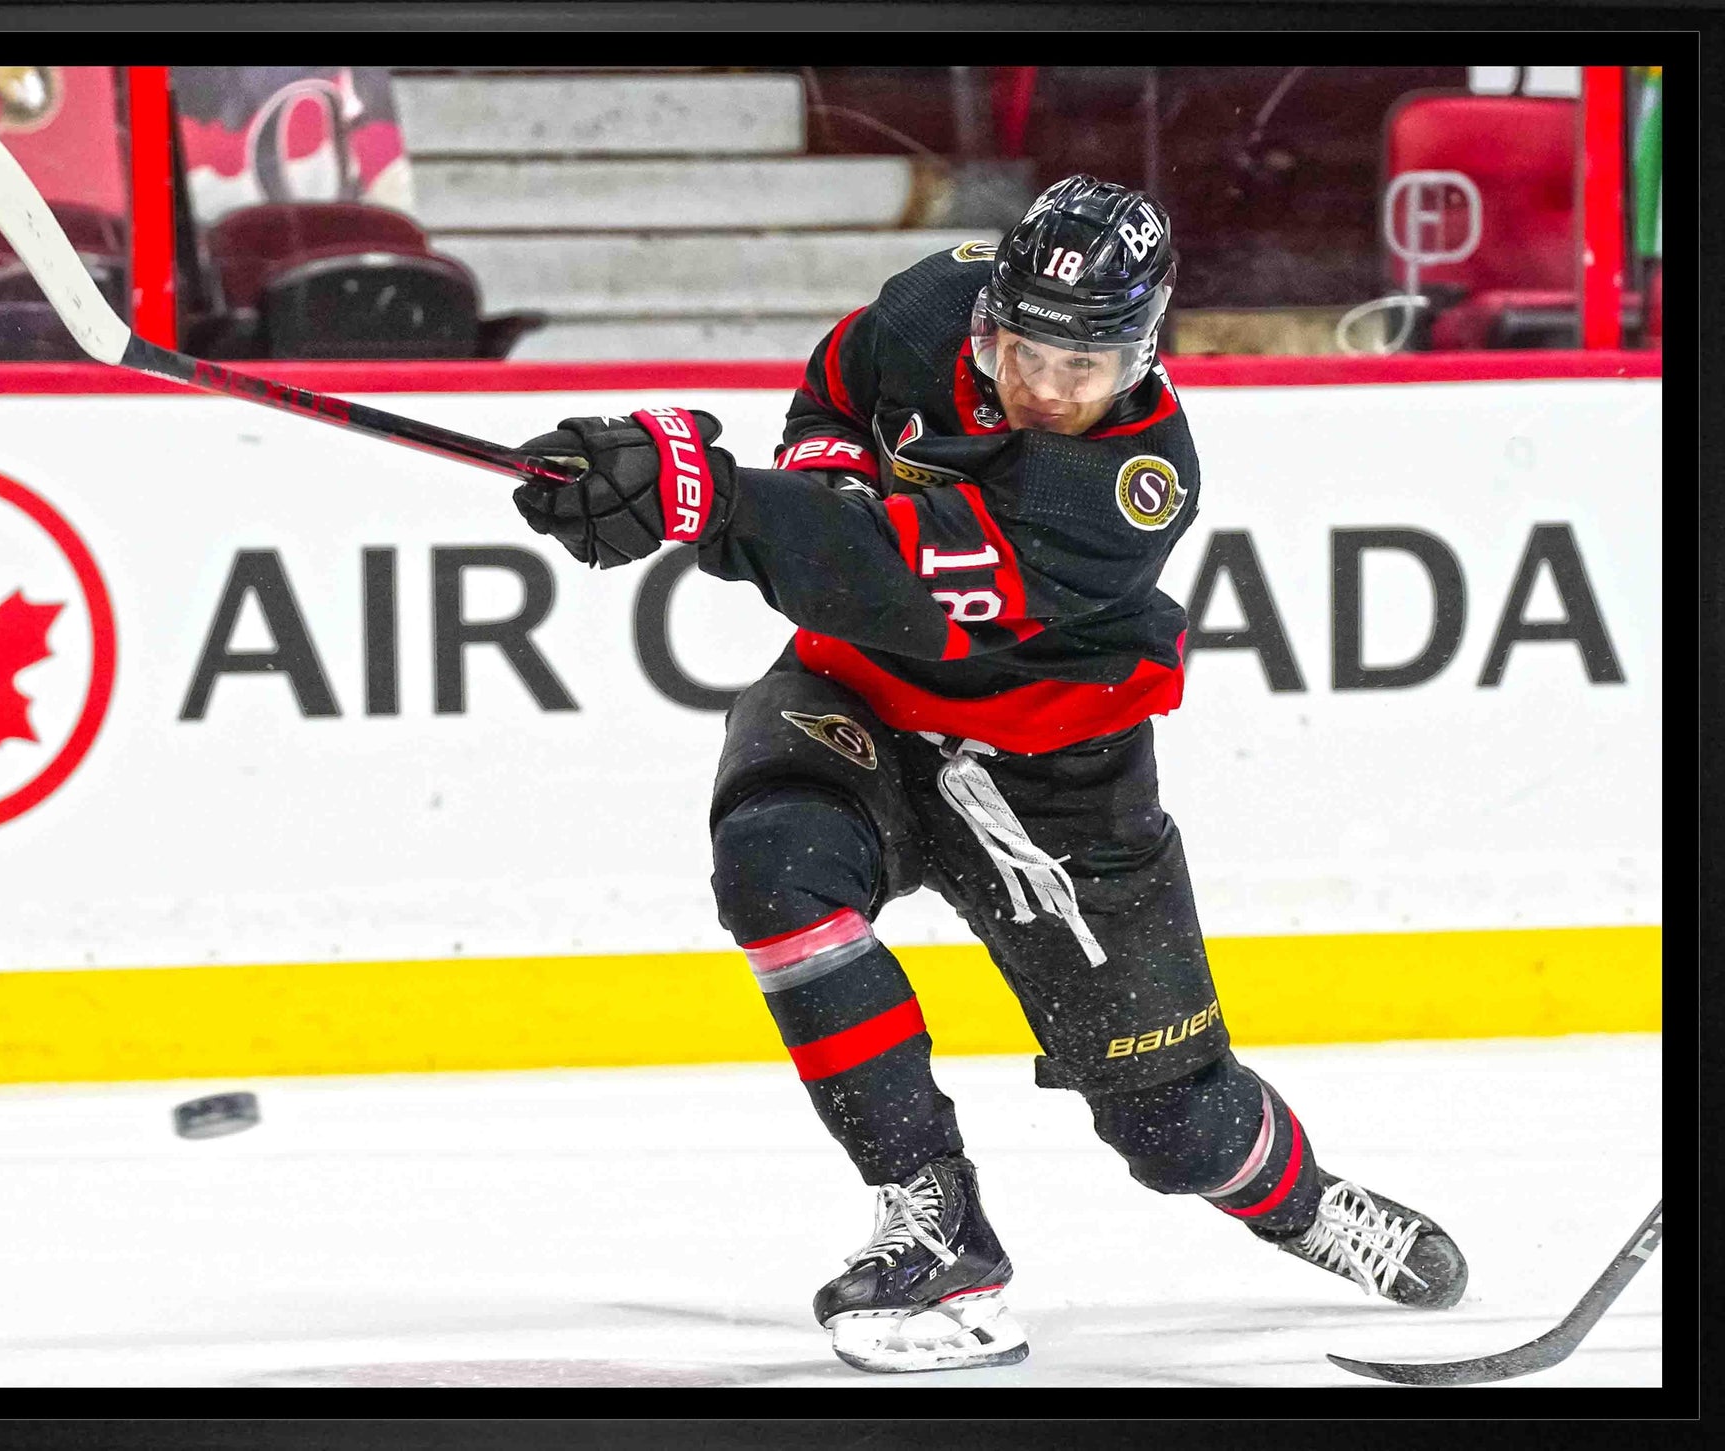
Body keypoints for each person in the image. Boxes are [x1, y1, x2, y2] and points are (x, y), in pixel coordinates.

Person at [511, 175, 1468, 1375]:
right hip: (853, 702)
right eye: (1028, 353)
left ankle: (1302, 1202)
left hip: (1057, 781)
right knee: (773, 865)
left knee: (1172, 1124)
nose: (1053, 389)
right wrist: (742, 479)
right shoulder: (927, 307)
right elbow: (836, 391)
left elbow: (892, 586)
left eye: (1091, 365)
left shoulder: (1128, 487)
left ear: (1145, 347)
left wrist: (709, 501)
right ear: (988, 318)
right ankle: (933, 1219)